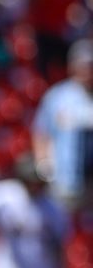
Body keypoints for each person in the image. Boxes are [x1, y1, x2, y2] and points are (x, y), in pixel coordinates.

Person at [32, 39, 93, 214]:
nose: (87, 71)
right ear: (72, 66)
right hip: (66, 179)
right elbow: (41, 131)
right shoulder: (58, 96)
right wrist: (43, 162)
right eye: (83, 65)